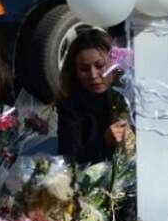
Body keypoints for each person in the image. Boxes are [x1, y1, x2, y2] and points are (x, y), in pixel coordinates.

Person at [55, 28, 131, 164]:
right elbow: (70, 158)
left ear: (115, 65)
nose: (93, 75)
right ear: (75, 71)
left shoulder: (130, 96)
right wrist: (104, 141)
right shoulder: (70, 106)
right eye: (84, 69)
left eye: (100, 65)